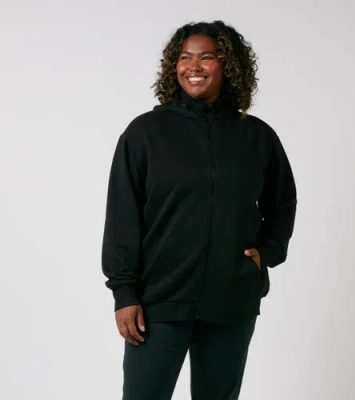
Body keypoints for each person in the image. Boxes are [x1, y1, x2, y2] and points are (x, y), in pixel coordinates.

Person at [101, 20, 297, 400]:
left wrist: (268, 251)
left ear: (228, 66)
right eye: (185, 57)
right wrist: (124, 293)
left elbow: (283, 201)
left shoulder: (256, 136)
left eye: (207, 57)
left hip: (230, 302)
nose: (194, 66)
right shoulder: (145, 133)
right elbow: (123, 216)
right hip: (158, 304)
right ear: (173, 66)